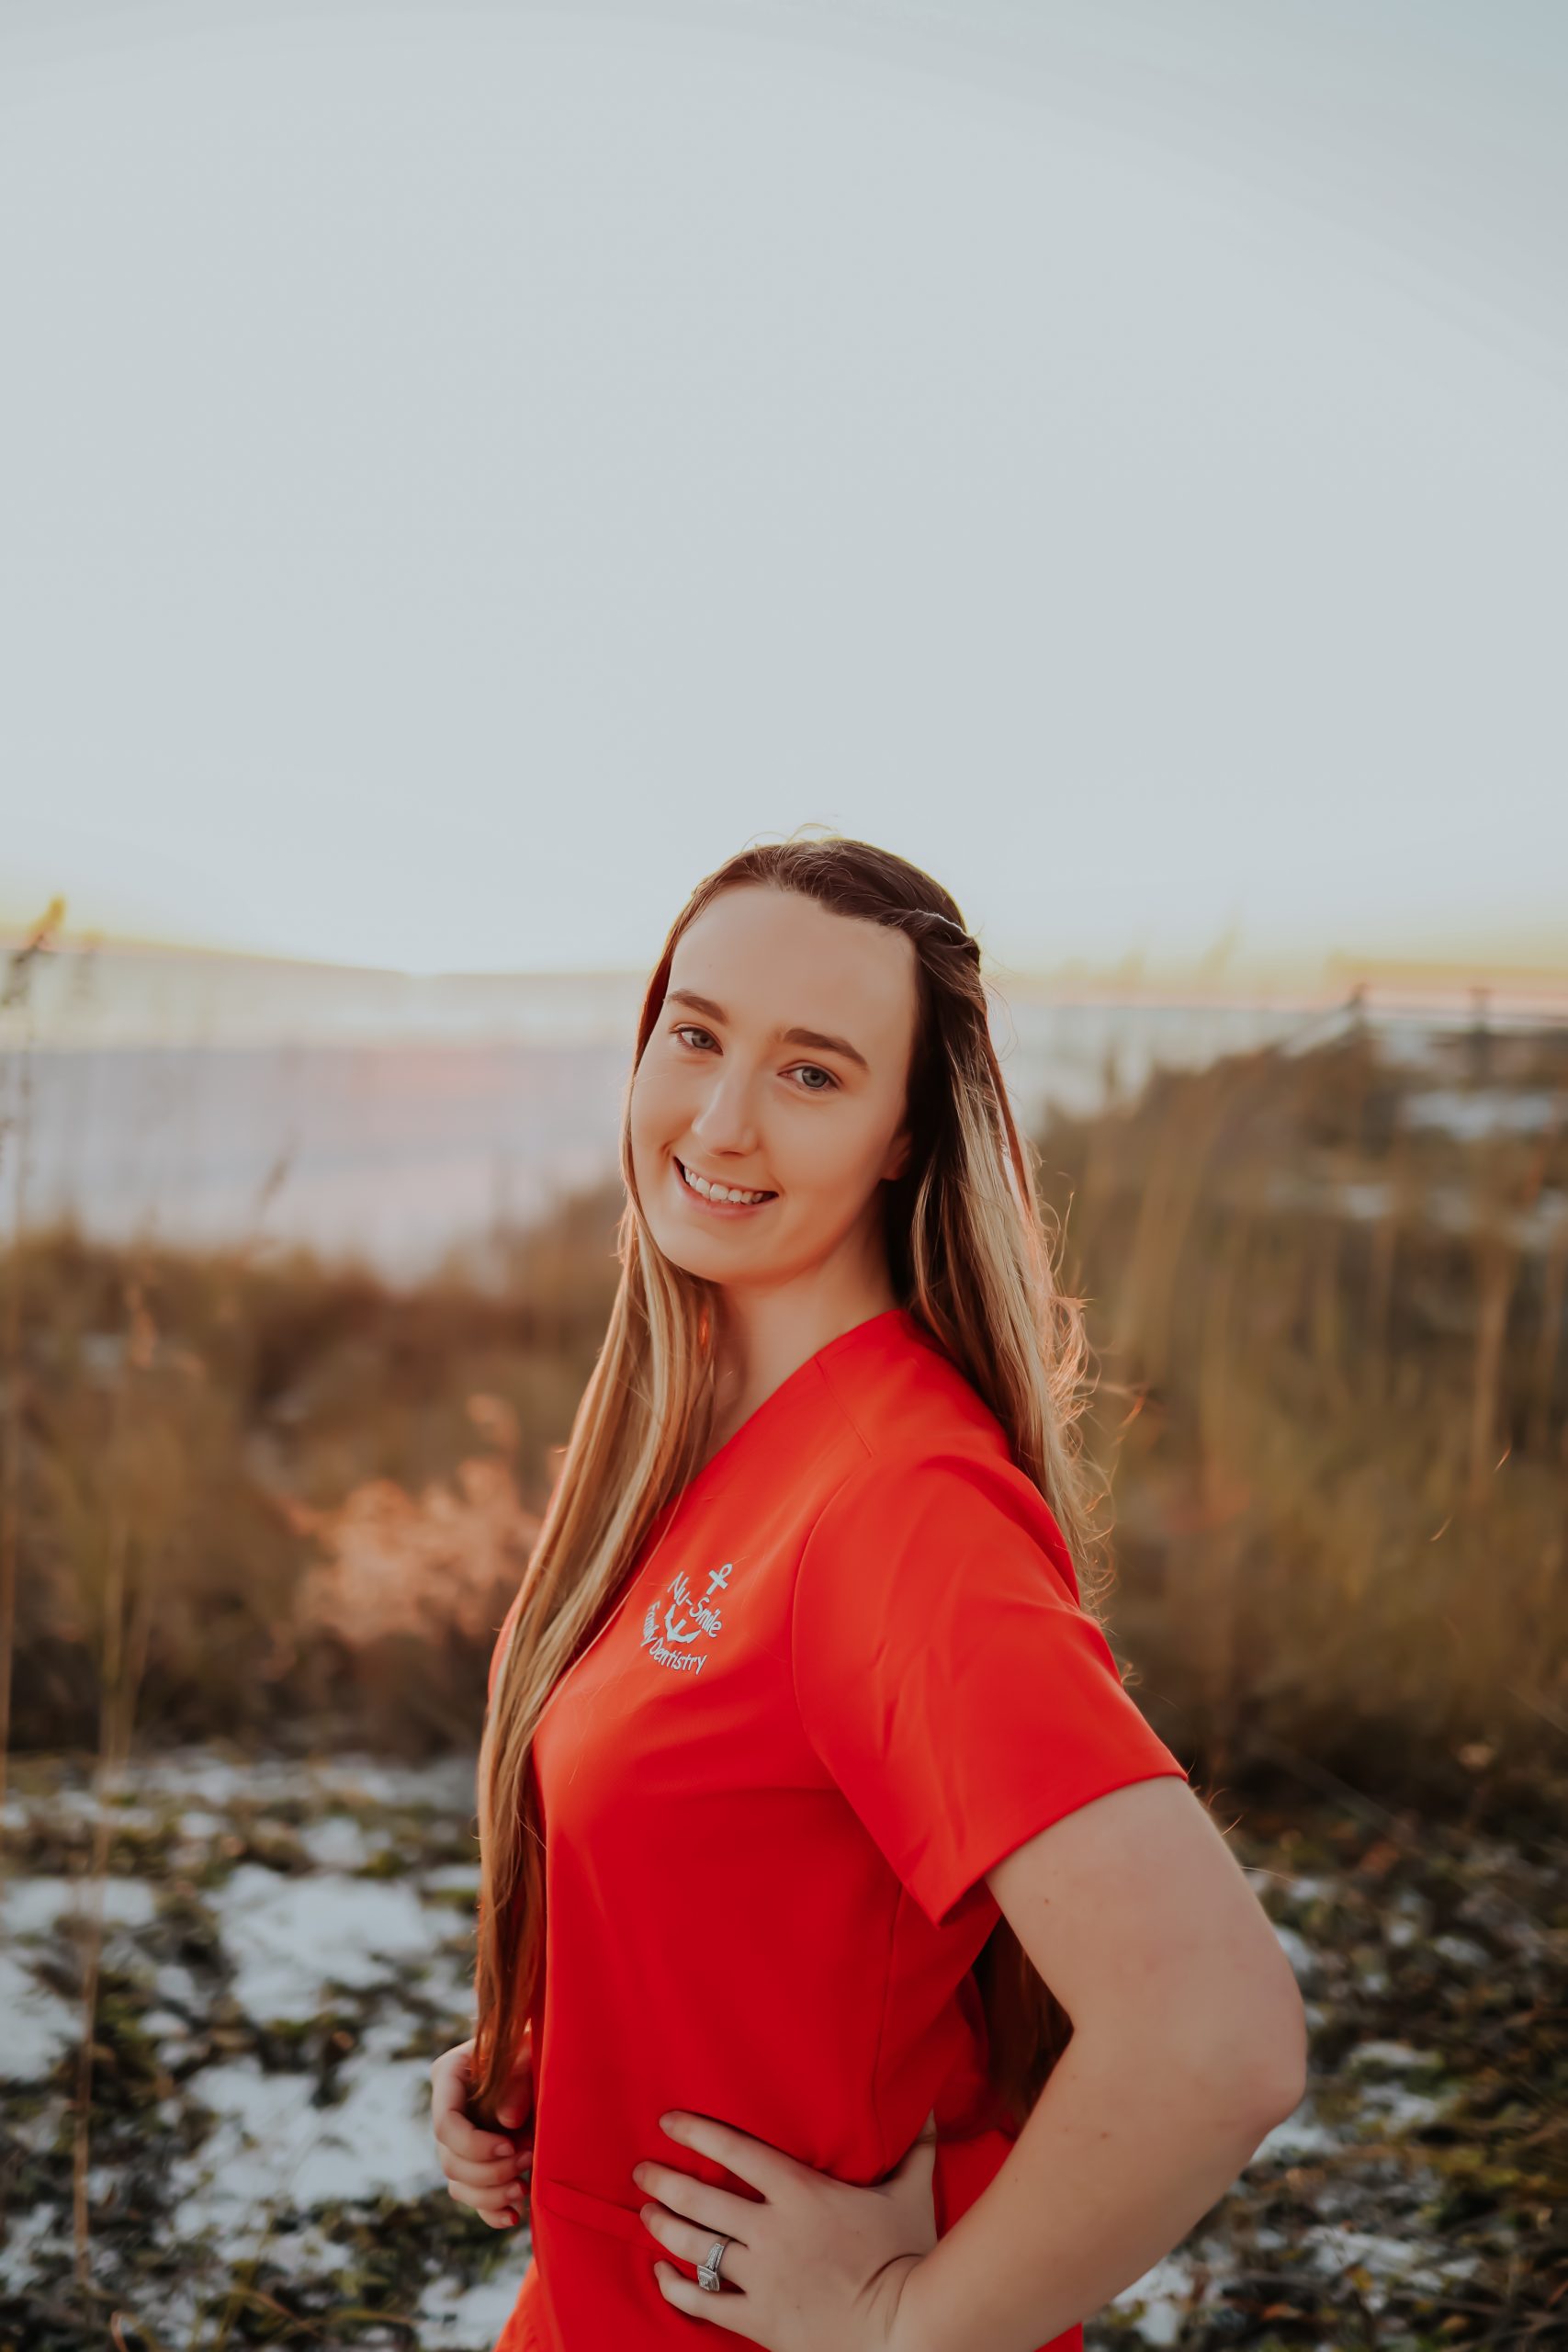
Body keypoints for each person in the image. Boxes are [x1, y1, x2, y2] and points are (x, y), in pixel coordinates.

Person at [428, 834, 1306, 2352]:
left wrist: (904, 2324)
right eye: (695, 1035)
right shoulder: (684, 1441)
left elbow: (1215, 2038)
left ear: (906, 1133)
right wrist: (543, 2049)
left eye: (813, 1073)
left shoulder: (898, 1507)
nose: (720, 1117)